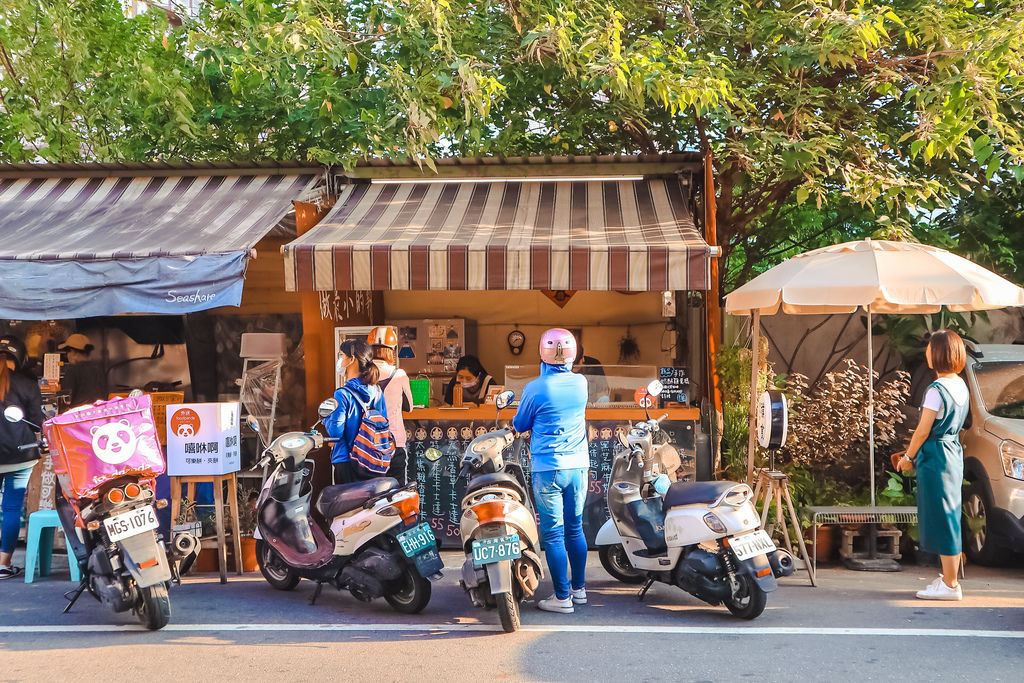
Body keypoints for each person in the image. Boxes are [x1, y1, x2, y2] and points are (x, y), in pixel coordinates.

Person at [512, 328, 589, 613]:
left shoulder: (536, 388)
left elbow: (520, 425)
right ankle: (579, 590)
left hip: (549, 468)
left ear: (542, 354)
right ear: (573, 354)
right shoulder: (581, 383)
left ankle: (562, 597)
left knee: (554, 535)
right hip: (579, 465)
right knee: (575, 529)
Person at [897, 329, 970, 600]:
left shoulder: (935, 391)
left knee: (942, 517)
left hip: (936, 454)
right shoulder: (960, 385)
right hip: (951, 452)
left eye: (929, 348)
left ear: (938, 353)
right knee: (949, 514)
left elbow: (922, 430)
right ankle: (949, 579)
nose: (926, 351)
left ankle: (951, 585)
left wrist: (908, 457)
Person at [0, 335, 44, 580]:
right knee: (11, 509)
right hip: (19, 456)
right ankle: (3, 563)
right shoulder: (27, 384)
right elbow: (37, 423)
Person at [325, 339, 387, 485]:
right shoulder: (377, 391)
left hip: (347, 460)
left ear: (351, 359)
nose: (339, 360)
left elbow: (335, 433)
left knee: (348, 507)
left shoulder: (342, 394)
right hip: (373, 461)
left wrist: (327, 418)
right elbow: (384, 422)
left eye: (341, 356)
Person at [368, 327, 413, 485]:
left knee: (370, 492)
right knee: (398, 492)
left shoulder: (362, 373)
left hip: (368, 443)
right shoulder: (399, 374)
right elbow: (410, 406)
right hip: (394, 440)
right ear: (392, 351)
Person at [59, 333, 107, 407]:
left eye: (67, 352)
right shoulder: (98, 369)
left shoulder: (73, 371)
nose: (67, 355)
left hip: (78, 415)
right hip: (98, 413)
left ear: (73, 353)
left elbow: (65, 400)